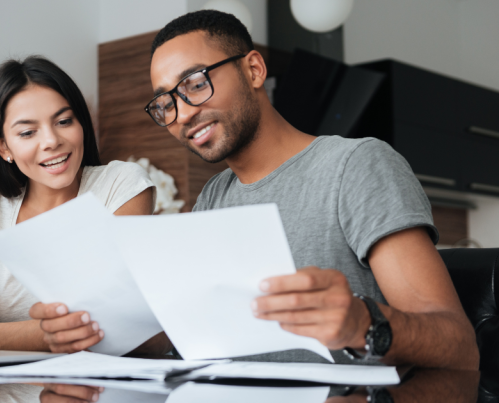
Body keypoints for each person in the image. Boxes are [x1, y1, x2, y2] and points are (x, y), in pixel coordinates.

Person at [32, 10, 479, 369]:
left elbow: (458, 345)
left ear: (253, 69)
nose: (182, 114)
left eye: (194, 84)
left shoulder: (356, 165)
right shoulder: (213, 197)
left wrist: (364, 322)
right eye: (165, 103)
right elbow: (192, 341)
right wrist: (92, 331)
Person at [0, 56, 169, 355]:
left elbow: (108, 325)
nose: (51, 140)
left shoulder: (120, 185)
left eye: (64, 121)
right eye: (28, 132)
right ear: (3, 146)